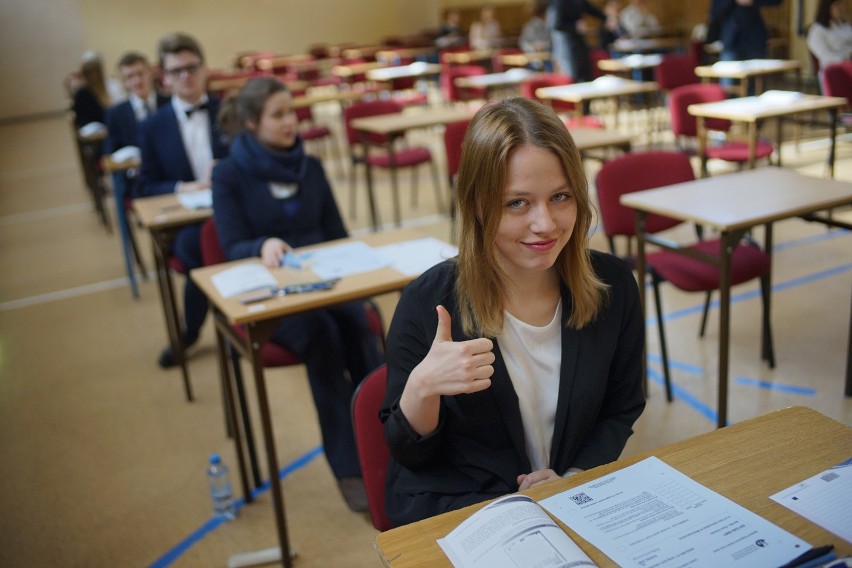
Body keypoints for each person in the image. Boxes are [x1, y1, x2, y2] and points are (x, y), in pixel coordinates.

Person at [380, 97, 646, 527]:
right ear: (479, 207)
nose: (546, 224)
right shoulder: (428, 302)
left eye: (560, 196)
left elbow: (622, 407)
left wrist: (573, 478)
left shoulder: (612, 287)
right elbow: (411, 454)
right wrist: (424, 386)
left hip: (567, 500)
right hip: (462, 510)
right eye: (517, 203)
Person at [212, 77, 384, 512]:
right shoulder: (228, 173)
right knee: (323, 338)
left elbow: (337, 235)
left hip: (325, 280)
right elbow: (230, 244)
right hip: (271, 293)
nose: (292, 122)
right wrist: (261, 245)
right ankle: (350, 468)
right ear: (252, 122)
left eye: (292, 112)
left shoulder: (310, 166)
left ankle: (388, 448)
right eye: (279, 115)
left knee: (362, 328)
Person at [138, 32, 229, 368]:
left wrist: (230, 170)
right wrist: (181, 187)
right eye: (176, 71)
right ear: (164, 77)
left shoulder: (227, 111)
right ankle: (203, 328)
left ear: (204, 69)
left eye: (192, 67)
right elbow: (143, 186)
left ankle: (219, 327)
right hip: (185, 222)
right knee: (200, 246)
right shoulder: (152, 126)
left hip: (229, 211)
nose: (186, 76)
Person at [104, 52, 169, 157]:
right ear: (123, 81)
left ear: (150, 73)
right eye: (130, 77)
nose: (137, 81)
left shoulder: (170, 102)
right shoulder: (116, 114)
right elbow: (110, 151)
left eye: (140, 73)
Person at [549, 0, 619, 81]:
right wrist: (574, 26)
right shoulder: (558, 2)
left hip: (578, 40)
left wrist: (607, 18)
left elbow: (591, 10)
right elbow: (555, 24)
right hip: (565, 44)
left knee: (585, 72)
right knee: (572, 75)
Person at [708, 0, 782, 61]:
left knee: (755, 74)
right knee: (728, 72)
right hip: (730, 40)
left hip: (754, 37)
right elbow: (715, 11)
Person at [807, 0, 852, 88]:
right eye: (836, 5)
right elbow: (827, 57)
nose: (840, 8)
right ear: (827, 8)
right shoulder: (817, 31)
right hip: (834, 73)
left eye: (841, 4)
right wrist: (846, 61)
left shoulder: (844, 25)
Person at [71, 52, 122, 128]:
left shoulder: (110, 86)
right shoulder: (82, 93)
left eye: (95, 72)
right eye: (90, 72)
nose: (93, 76)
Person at [519, 0, 552, 70]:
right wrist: (534, 46)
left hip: (548, 57)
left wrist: (544, 45)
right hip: (536, 60)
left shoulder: (548, 24)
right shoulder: (531, 26)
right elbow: (523, 43)